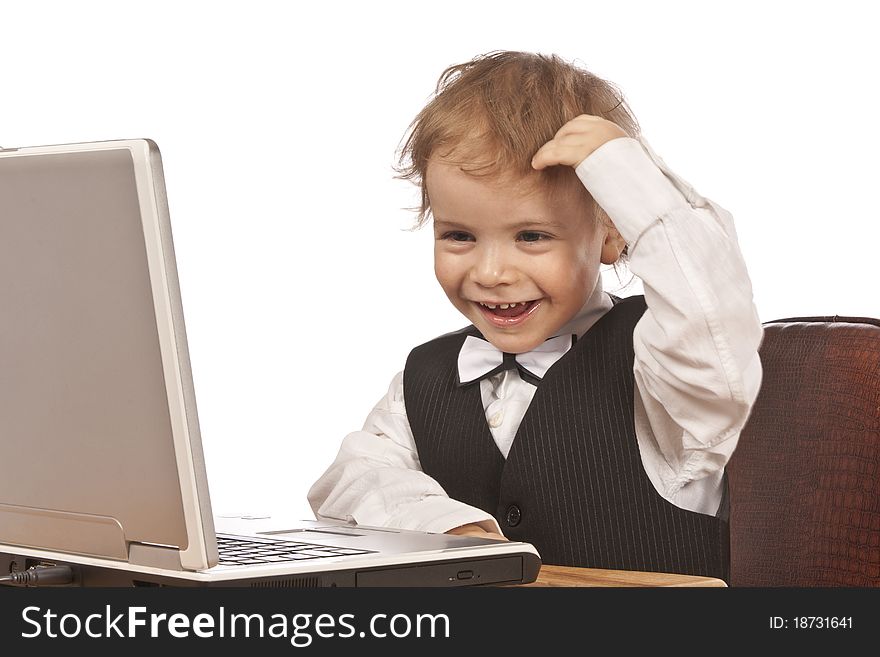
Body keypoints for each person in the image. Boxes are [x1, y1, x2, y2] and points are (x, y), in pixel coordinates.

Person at [307, 51, 763, 580]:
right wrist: (449, 530)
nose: (491, 271)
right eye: (460, 235)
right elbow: (355, 478)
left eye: (532, 236)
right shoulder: (424, 377)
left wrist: (630, 182)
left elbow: (712, 318)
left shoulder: (664, 374)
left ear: (613, 233)